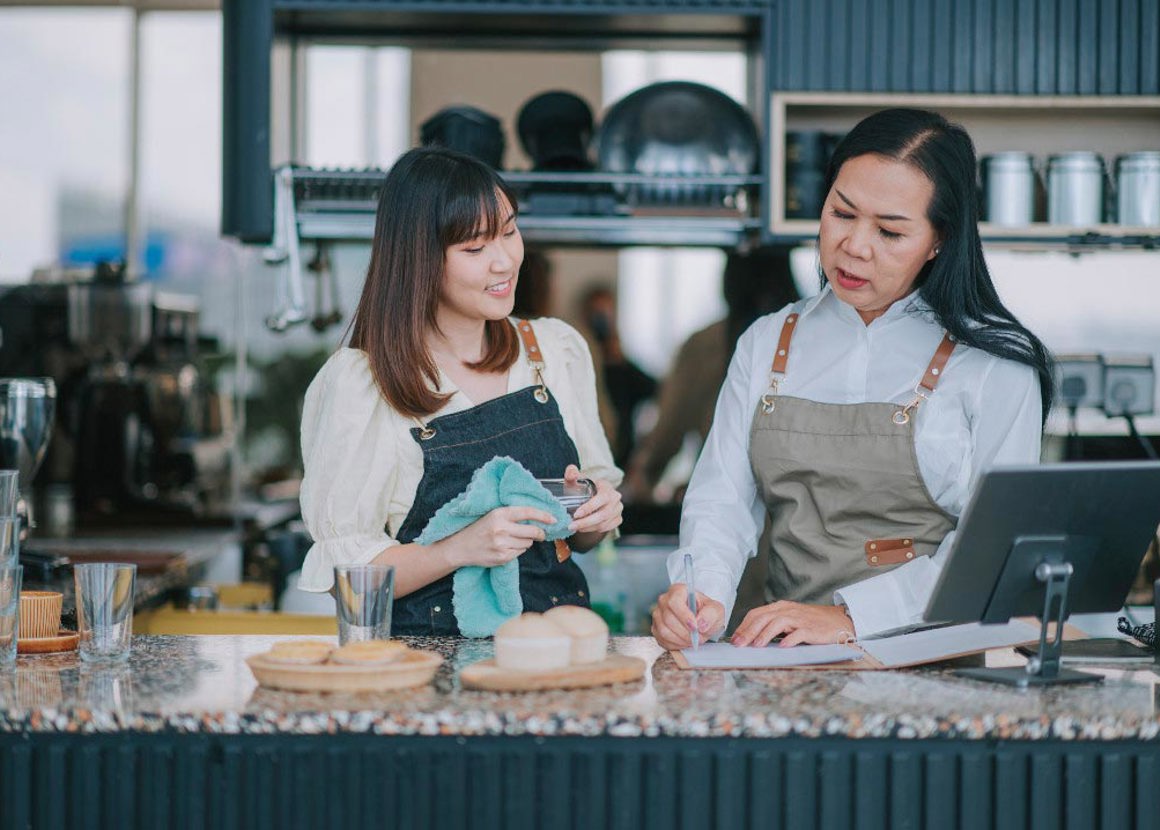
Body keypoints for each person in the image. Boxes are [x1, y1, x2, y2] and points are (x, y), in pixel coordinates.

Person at [651, 108, 1053, 650]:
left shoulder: (994, 363)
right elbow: (720, 500)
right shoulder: (768, 341)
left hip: (935, 660)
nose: (856, 246)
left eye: (890, 231)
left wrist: (849, 619)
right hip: (784, 659)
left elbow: (995, 547)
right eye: (842, 214)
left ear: (939, 240)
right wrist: (699, 597)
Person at [298, 146, 623, 635]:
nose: (505, 262)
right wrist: (458, 548)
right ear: (420, 261)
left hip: (556, 660)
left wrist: (596, 511)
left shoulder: (552, 351)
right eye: (475, 249)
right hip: (429, 677)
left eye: (510, 232)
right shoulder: (362, 384)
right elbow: (349, 579)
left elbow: (584, 534)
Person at [627, 246, 801, 501]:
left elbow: (669, 431)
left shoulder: (707, 343)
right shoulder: (815, 340)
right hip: (798, 503)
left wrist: (641, 483)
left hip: (722, 497)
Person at [581, 285, 657, 468]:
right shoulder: (577, 358)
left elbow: (654, 389)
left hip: (623, 459)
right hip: (590, 460)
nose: (601, 321)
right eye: (596, 314)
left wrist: (618, 360)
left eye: (605, 314)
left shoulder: (621, 363)